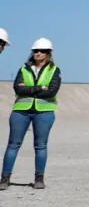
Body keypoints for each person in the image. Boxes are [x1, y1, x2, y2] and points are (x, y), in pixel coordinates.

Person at [4, 38, 60, 190]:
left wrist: (29, 89)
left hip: (44, 112)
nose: (38, 53)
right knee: (13, 144)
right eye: (35, 51)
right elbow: (18, 89)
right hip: (21, 111)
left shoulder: (54, 70)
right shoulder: (23, 69)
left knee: (40, 145)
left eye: (42, 51)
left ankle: (39, 178)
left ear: (48, 53)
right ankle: (5, 178)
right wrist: (40, 88)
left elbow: (52, 91)